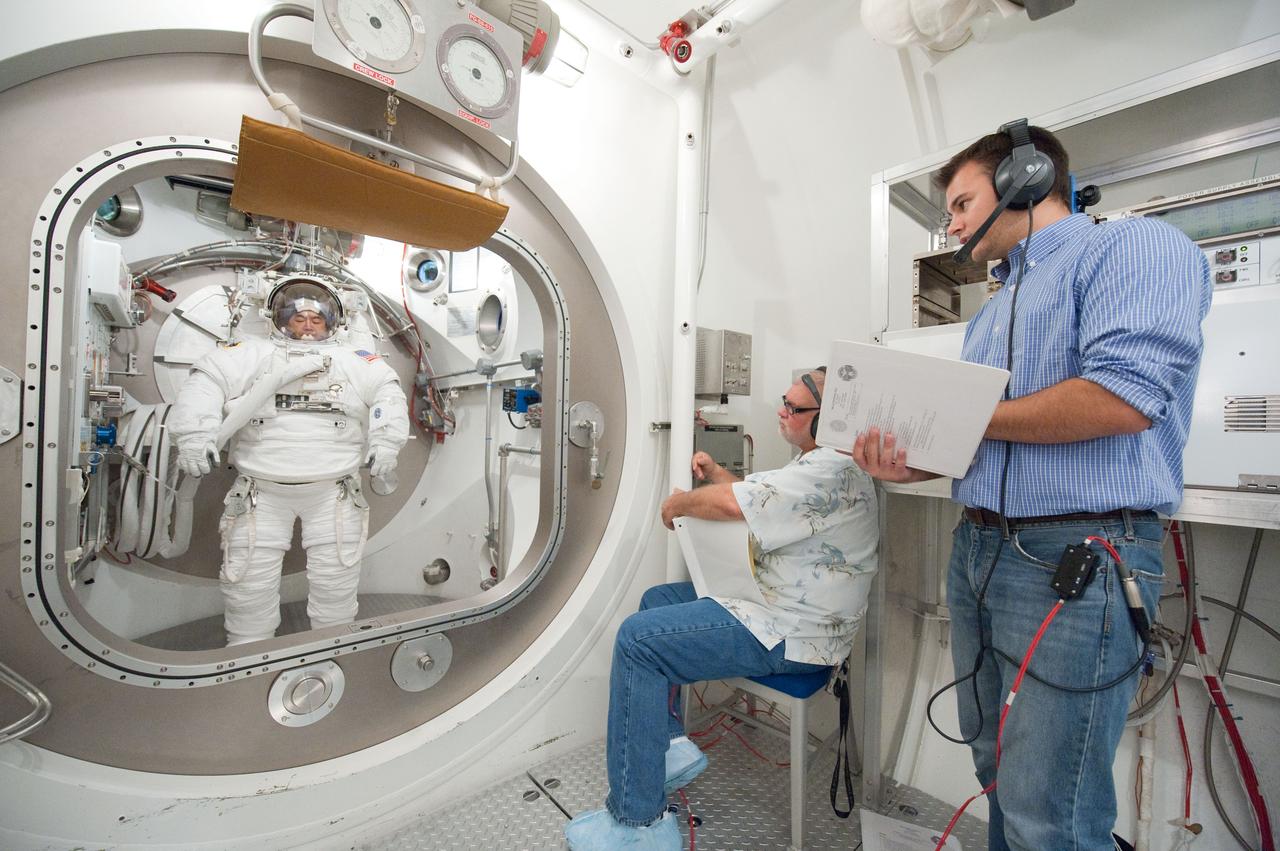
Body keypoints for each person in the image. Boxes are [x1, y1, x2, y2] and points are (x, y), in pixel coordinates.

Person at [853, 122, 1211, 850]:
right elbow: (979, 435)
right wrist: (907, 458)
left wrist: (965, 420)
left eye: (959, 203)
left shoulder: (1132, 247)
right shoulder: (990, 317)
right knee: (1000, 774)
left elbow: (1120, 398)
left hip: (1077, 555)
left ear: (1025, 177)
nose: (950, 224)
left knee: (1052, 805)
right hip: (980, 549)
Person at [565, 369, 879, 850]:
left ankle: (637, 824)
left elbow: (737, 507)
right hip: (777, 608)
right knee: (658, 600)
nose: (782, 412)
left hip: (793, 633)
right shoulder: (813, 465)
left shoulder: (830, 470)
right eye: (784, 402)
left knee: (638, 640)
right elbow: (759, 501)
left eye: (794, 409)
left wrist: (681, 503)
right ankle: (667, 750)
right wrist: (715, 476)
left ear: (828, 421)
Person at [168, 277, 410, 646]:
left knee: (336, 584)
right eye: (299, 318)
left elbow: (387, 394)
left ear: (333, 322)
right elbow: (206, 381)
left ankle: (332, 652)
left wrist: (387, 442)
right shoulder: (251, 353)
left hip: (332, 493)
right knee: (247, 583)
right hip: (260, 492)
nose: (308, 324)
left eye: (316, 318)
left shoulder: (356, 360)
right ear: (278, 319)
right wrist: (193, 436)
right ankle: (248, 657)